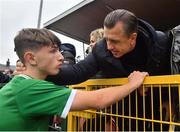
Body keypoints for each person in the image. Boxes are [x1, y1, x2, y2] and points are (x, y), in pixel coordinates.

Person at [15, 9, 171, 130]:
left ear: (132, 38)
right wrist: (38, 71)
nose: (109, 46)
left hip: (158, 109)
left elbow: (171, 72)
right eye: (106, 39)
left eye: (115, 41)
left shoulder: (161, 43)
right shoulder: (101, 49)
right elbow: (77, 72)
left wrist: (167, 98)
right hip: (125, 111)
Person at [0, 28, 148, 131]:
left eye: (59, 50)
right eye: (53, 51)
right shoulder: (29, 89)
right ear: (31, 58)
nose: (61, 56)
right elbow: (98, 100)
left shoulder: (23, 84)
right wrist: (133, 84)